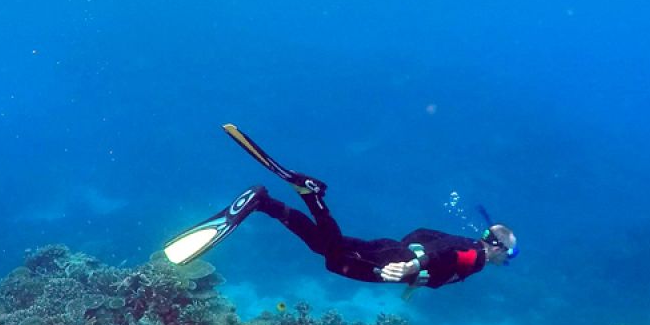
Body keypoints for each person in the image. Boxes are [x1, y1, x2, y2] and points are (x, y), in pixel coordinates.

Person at [162, 125, 517, 291]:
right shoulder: (478, 257)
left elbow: (426, 234)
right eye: (510, 255)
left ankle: (264, 203)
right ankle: (311, 195)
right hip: (391, 261)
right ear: (497, 247)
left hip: (391, 249)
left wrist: (411, 255)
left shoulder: (466, 242)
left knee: (326, 246)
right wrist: (413, 264)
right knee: (333, 258)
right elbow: (445, 252)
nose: (507, 261)